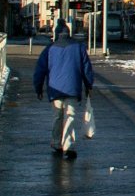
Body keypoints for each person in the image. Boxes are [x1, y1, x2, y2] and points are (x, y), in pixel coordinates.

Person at [33, 18, 94, 159]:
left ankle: (56, 143)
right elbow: (86, 69)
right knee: (70, 116)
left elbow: (39, 71)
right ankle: (68, 145)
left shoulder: (49, 49)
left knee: (57, 116)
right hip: (72, 88)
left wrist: (38, 88)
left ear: (56, 34)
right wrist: (88, 85)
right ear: (69, 33)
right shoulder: (79, 47)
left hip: (55, 90)